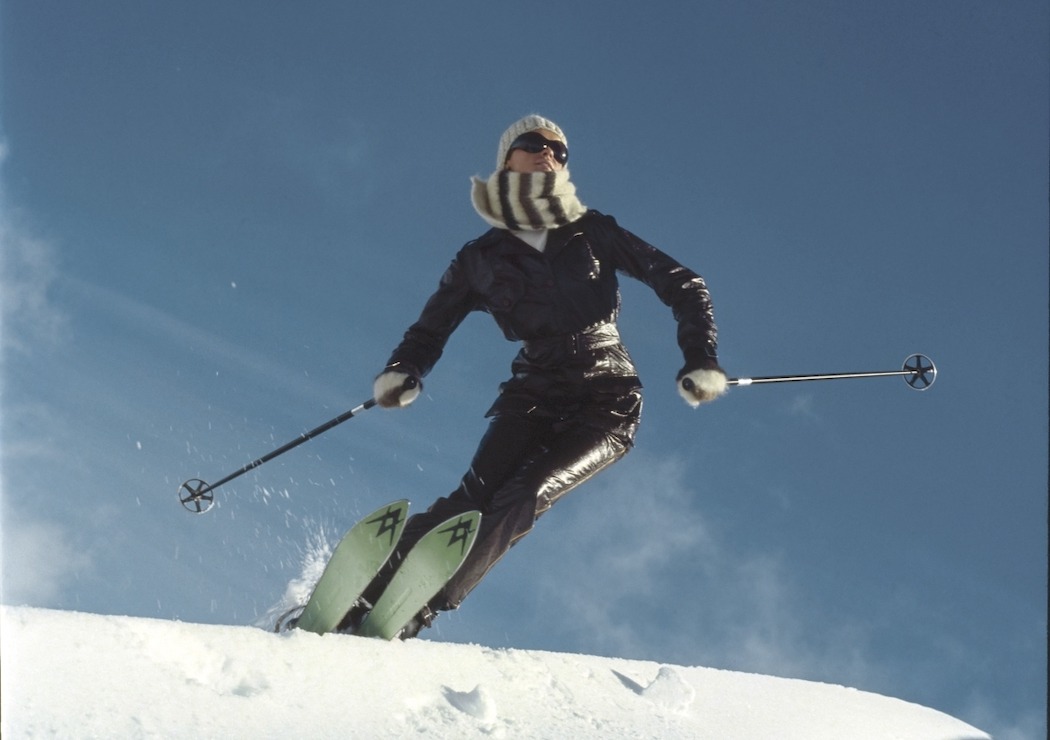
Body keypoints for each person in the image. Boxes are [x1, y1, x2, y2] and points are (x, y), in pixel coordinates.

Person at [350, 114, 727, 638]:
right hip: (533, 389)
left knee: (525, 492)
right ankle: (361, 593)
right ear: (507, 159)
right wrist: (404, 371)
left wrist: (700, 357)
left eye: (559, 151)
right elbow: (428, 331)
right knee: (473, 499)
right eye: (534, 144)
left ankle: (417, 607)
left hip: (606, 398)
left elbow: (685, 285)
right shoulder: (479, 258)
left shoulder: (592, 231)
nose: (548, 153)